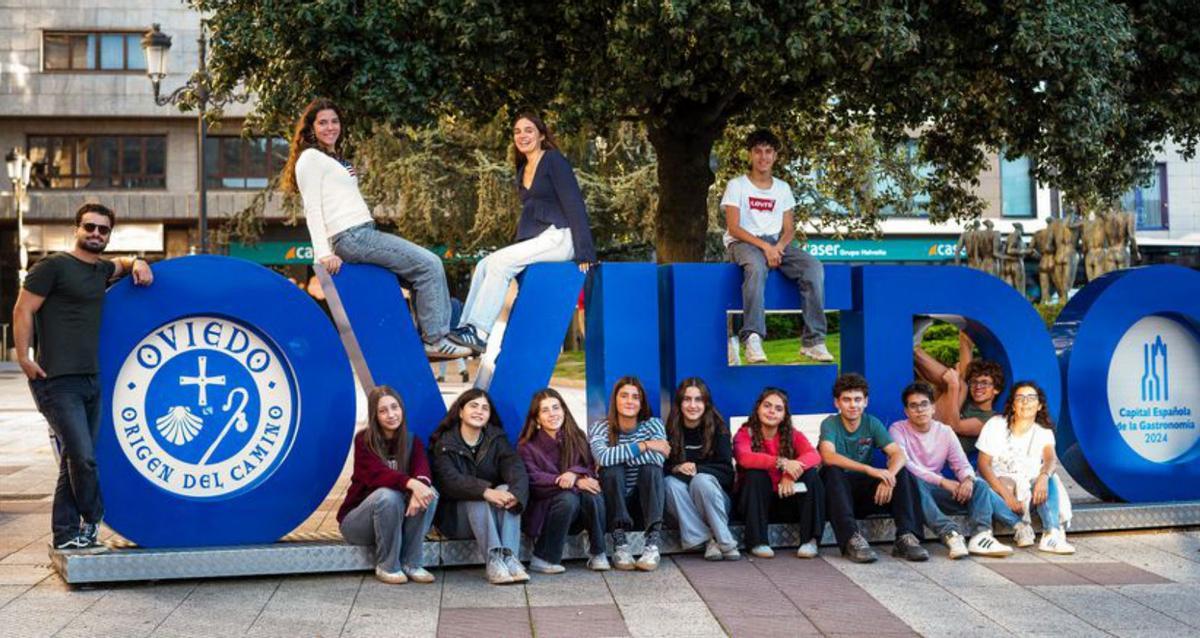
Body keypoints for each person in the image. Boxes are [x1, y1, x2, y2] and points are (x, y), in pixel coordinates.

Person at [281, 97, 469, 361]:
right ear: (311, 128)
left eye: (334, 121)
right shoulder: (310, 158)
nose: (330, 127)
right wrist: (322, 254)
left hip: (361, 232)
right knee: (429, 264)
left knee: (421, 277)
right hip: (351, 235)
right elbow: (312, 208)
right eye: (322, 122)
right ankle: (435, 339)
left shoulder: (333, 160)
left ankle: (426, 338)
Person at [14, 203, 153, 550]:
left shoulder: (100, 270)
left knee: (74, 459)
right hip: (56, 381)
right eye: (89, 227)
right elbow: (22, 309)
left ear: (108, 235)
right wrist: (23, 357)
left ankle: (64, 535)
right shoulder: (53, 267)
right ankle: (92, 520)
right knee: (83, 457)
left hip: (91, 380)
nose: (95, 234)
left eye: (103, 230)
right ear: (76, 228)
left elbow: (120, 264)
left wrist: (137, 261)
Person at [449, 112, 597, 354]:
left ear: (541, 135)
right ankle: (466, 329)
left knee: (499, 264)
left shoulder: (553, 160)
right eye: (517, 131)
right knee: (486, 264)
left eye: (528, 130)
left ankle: (479, 331)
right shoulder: (522, 169)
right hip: (543, 238)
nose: (522, 135)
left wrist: (585, 252)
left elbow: (574, 204)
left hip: (561, 236)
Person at [722, 128, 832, 364]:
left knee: (813, 267)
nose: (763, 157)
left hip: (775, 243)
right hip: (743, 242)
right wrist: (765, 247)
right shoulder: (737, 185)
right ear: (750, 155)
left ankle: (813, 341)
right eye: (758, 151)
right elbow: (733, 227)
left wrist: (778, 247)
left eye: (768, 151)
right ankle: (752, 337)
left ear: (775, 156)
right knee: (756, 268)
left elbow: (789, 228)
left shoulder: (782, 188)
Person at [888, 382, 1013, 559]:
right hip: (914, 492)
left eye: (924, 404)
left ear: (933, 408)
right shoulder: (897, 429)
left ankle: (981, 535)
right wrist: (942, 481)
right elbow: (906, 464)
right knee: (912, 481)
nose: (920, 410)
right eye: (913, 406)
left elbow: (961, 464)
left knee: (980, 485)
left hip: (937, 493)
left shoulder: (945, 431)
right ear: (906, 411)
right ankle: (950, 534)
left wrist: (968, 480)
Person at [818, 373, 928, 563]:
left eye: (858, 399)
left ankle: (906, 537)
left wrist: (889, 476)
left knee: (902, 473)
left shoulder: (872, 423)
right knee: (832, 471)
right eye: (847, 400)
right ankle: (851, 540)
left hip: (865, 495)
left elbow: (898, 454)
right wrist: (870, 470)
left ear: (866, 401)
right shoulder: (830, 423)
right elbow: (828, 456)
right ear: (837, 403)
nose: (853, 405)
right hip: (836, 497)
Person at [337, 387, 439, 584]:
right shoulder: (364, 440)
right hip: (357, 524)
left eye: (395, 407)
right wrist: (411, 484)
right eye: (383, 411)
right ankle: (388, 566)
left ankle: (411, 563)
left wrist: (420, 487)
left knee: (429, 493)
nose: (391, 414)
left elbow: (423, 471)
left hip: (395, 523)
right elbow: (377, 474)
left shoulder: (412, 441)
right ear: (374, 415)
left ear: (402, 409)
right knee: (388, 495)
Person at [430, 389, 531, 584]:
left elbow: (516, 468)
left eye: (485, 408)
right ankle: (493, 560)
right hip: (457, 521)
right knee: (476, 498)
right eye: (473, 406)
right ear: (460, 411)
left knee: (505, 490)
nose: (479, 411)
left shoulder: (496, 440)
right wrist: (485, 492)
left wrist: (515, 495)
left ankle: (509, 557)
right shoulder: (445, 444)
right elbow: (450, 481)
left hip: (492, 517)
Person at [517, 388, 610, 573]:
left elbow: (589, 469)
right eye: (545, 410)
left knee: (592, 494)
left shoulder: (577, 437)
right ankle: (543, 557)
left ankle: (598, 553)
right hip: (546, 514)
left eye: (556, 407)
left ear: (564, 411)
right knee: (568, 498)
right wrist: (574, 482)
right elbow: (534, 480)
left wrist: (575, 474)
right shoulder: (526, 447)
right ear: (537, 419)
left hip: (577, 516)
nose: (552, 414)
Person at [977, 381, 1075, 554]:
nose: (1025, 402)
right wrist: (1007, 495)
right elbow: (983, 465)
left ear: (1039, 405)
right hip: (999, 493)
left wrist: (1043, 477)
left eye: (1031, 398)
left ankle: (1051, 534)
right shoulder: (995, 424)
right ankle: (1019, 527)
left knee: (1050, 478)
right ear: (1013, 404)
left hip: (1030, 496)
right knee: (980, 486)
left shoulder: (1043, 431)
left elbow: (1050, 458)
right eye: (1020, 397)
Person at [733, 387, 826, 559]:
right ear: (758, 408)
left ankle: (810, 541)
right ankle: (757, 542)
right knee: (755, 474)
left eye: (778, 409)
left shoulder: (792, 435)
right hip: (755, 505)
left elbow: (815, 455)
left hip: (785, 500)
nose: (772, 412)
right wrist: (781, 463)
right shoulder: (745, 433)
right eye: (767, 406)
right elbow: (744, 458)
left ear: (784, 415)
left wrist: (789, 474)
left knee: (811, 475)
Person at [588, 376, 667, 571]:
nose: (630, 401)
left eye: (635, 397)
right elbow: (603, 458)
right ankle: (620, 544)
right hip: (615, 505)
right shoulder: (600, 427)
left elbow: (658, 460)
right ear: (615, 400)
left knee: (651, 470)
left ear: (642, 403)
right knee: (612, 470)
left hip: (645, 503)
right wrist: (645, 445)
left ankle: (652, 544)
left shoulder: (653, 425)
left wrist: (616, 455)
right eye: (624, 396)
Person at [662, 378, 739, 560]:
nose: (692, 405)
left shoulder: (719, 430)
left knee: (701, 480)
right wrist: (678, 468)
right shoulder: (671, 430)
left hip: (716, 501)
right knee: (669, 483)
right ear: (680, 403)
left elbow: (728, 474)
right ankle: (708, 539)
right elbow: (663, 468)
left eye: (698, 400)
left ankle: (723, 540)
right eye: (687, 399)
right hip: (683, 507)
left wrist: (697, 469)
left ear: (706, 403)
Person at [913, 330, 1005, 456]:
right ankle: (912, 352)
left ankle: (914, 350)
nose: (978, 386)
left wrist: (954, 386)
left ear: (996, 389)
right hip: (924, 428)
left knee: (959, 385)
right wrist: (965, 333)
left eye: (984, 383)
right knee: (959, 382)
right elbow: (966, 370)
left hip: (934, 449)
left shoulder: (989, 420)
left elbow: (953, 426)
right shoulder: (967, 396)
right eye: (975, 382)